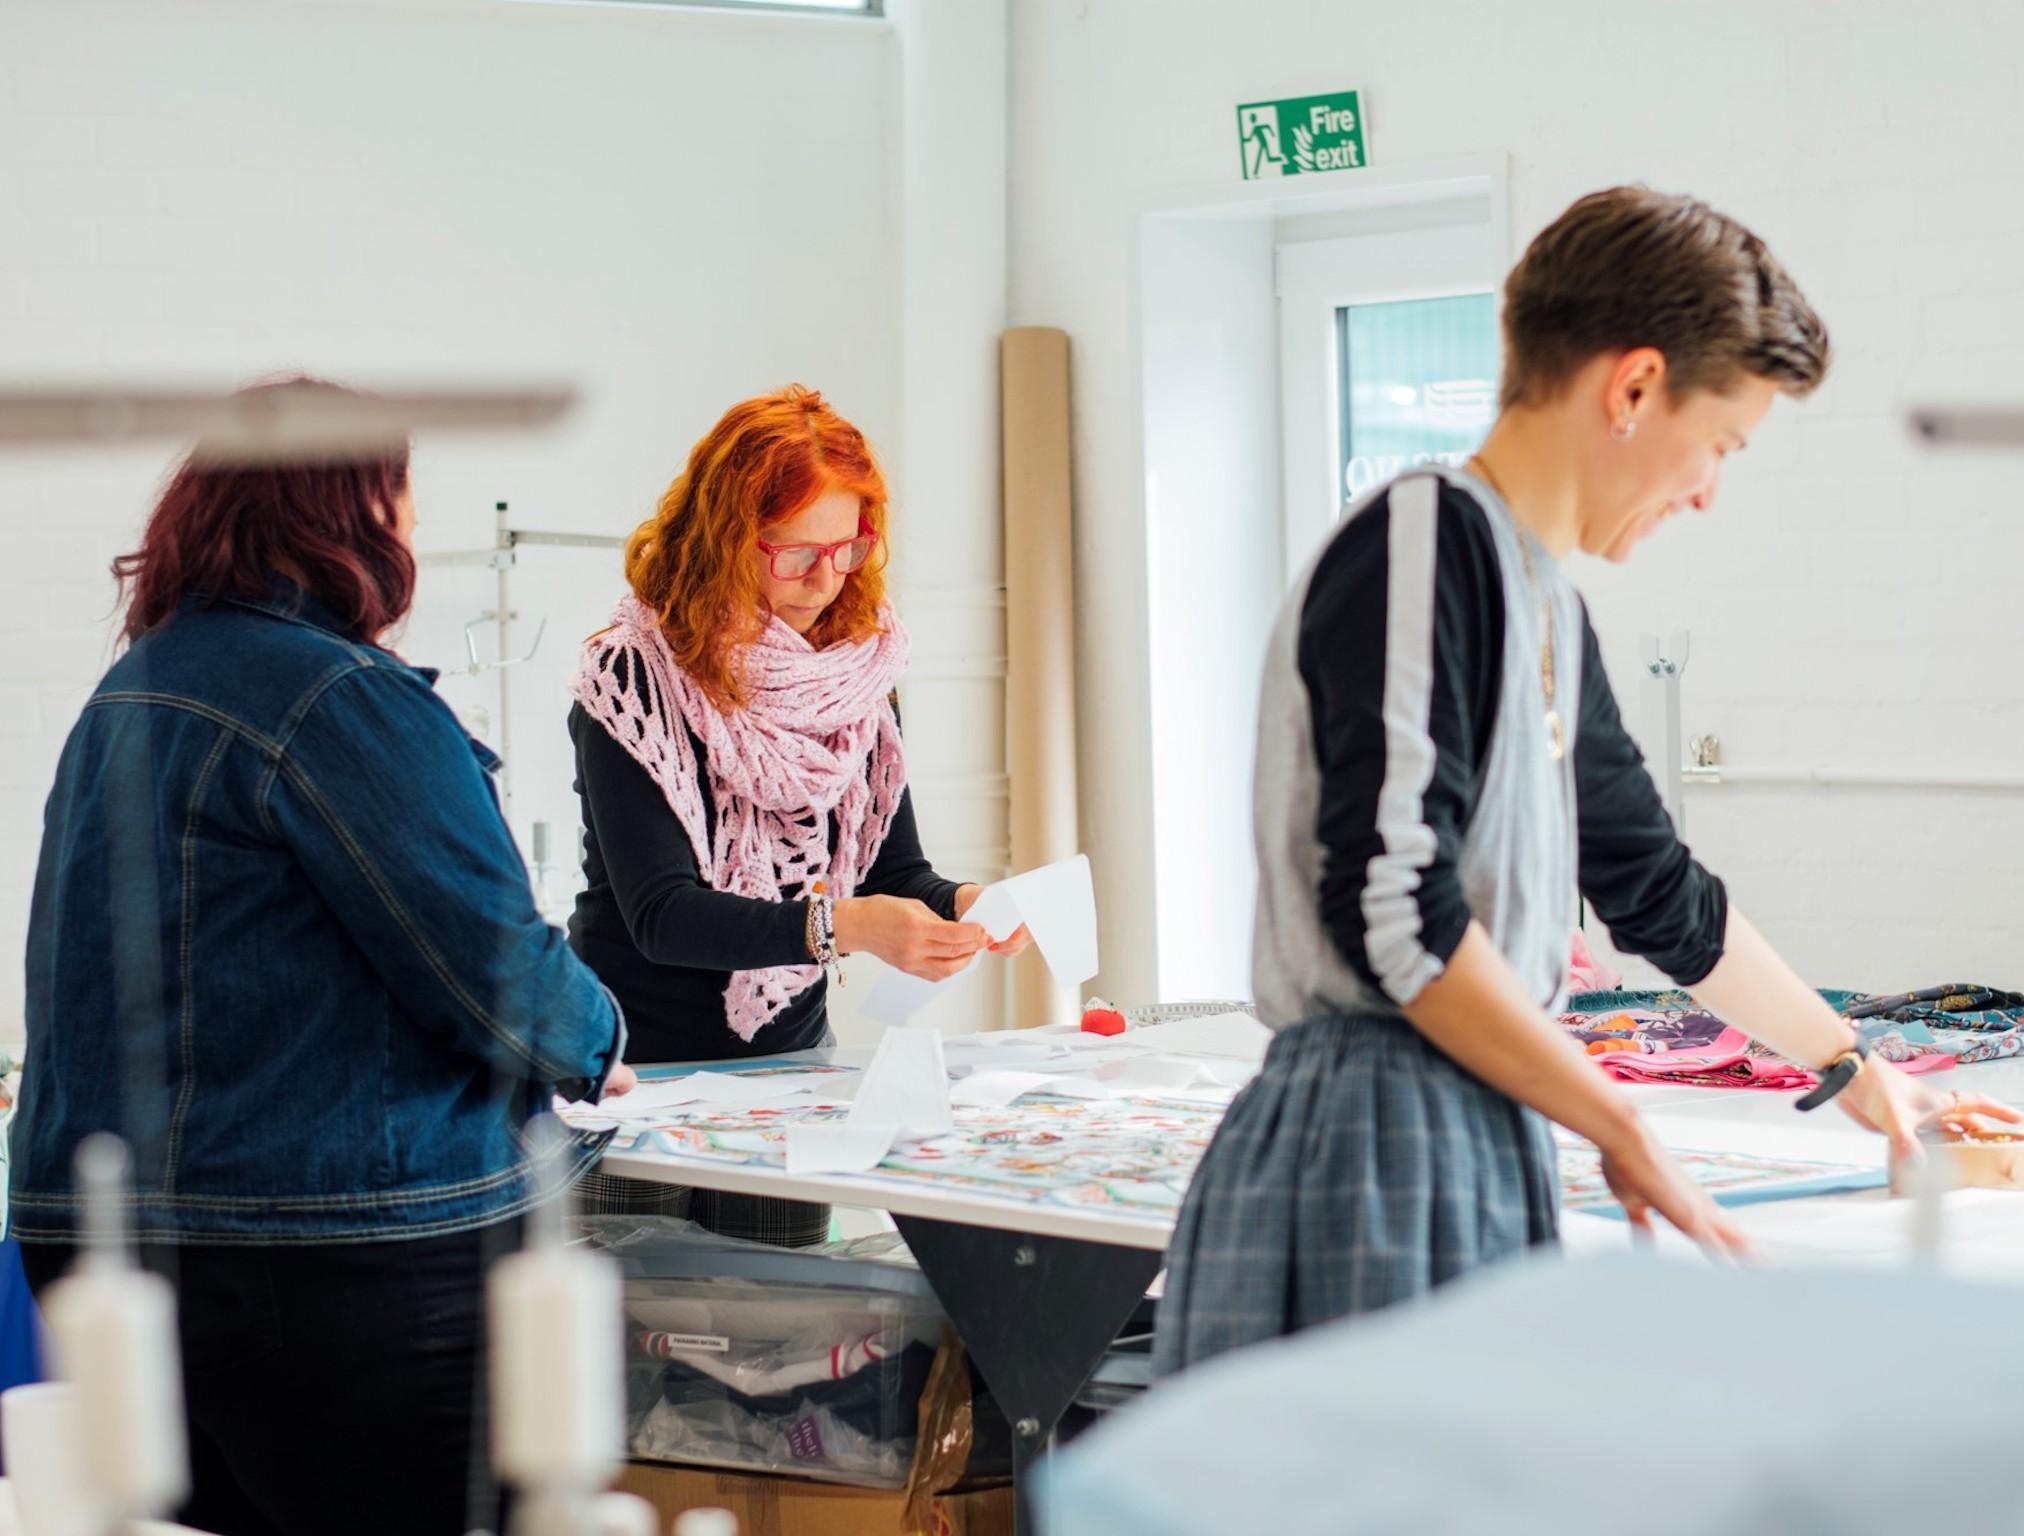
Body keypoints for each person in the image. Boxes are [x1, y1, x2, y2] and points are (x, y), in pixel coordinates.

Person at [1153, 188, 2018, 1375]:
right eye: (1718, 443)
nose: (1708, 489)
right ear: (1631, 388)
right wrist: (1613, 1118)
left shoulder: (1546, 606)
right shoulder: (1425, 539)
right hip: (1367, 1138)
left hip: (1482, 1121)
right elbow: (1394, 916)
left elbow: (1654, 889)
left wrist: (1857, 1069)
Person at [8, 380, 633, 1536]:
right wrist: (599, 1039)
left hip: (108, 1247)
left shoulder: (129, 693)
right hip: (335, 1261)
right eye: (397, 501)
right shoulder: (339, 697)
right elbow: (497, 979)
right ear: (352, 513)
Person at [567, 384, 1025, 1243]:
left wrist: (964, 907)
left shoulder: (858, 677)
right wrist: (842, 928)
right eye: (794, 554)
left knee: (782, 1356)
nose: (826, 578)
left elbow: (895, 876)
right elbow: (661, 917)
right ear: (725, 541)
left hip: (789, 1068)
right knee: (626, 1357)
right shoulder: (633, 679)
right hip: (638, 1075)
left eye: (848, 547)